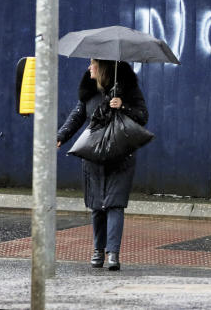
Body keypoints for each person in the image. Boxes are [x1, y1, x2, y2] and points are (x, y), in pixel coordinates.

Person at [57, 59, 149, 271]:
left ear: (104, 68)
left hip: (120, 154)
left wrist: (122, 106)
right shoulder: (89, 89)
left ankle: (113, 253)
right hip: (93, 153)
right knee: (97, 204)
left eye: (93, 64)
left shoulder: (127, 88)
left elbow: (143, 116)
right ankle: (98, 249)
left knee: (115, 203)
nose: (89, 67)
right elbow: (78, 114)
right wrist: (61, 135)